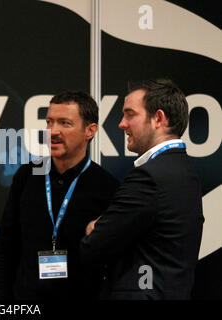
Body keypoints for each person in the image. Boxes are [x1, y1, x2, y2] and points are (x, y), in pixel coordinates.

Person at [80, 78, 204, 300]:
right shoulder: (184, 171)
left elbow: (94, 246)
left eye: (130, 114)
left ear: (158, 118)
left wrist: (93, 227)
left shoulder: (149, 177)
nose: (121, 123)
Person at [0, 90, 120, 299]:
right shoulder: (26, 176)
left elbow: (113, 260)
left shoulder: (107, 187)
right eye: (49, 122)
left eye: (64, 123)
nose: (53, 131)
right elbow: (6, 246)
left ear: (90, 130)